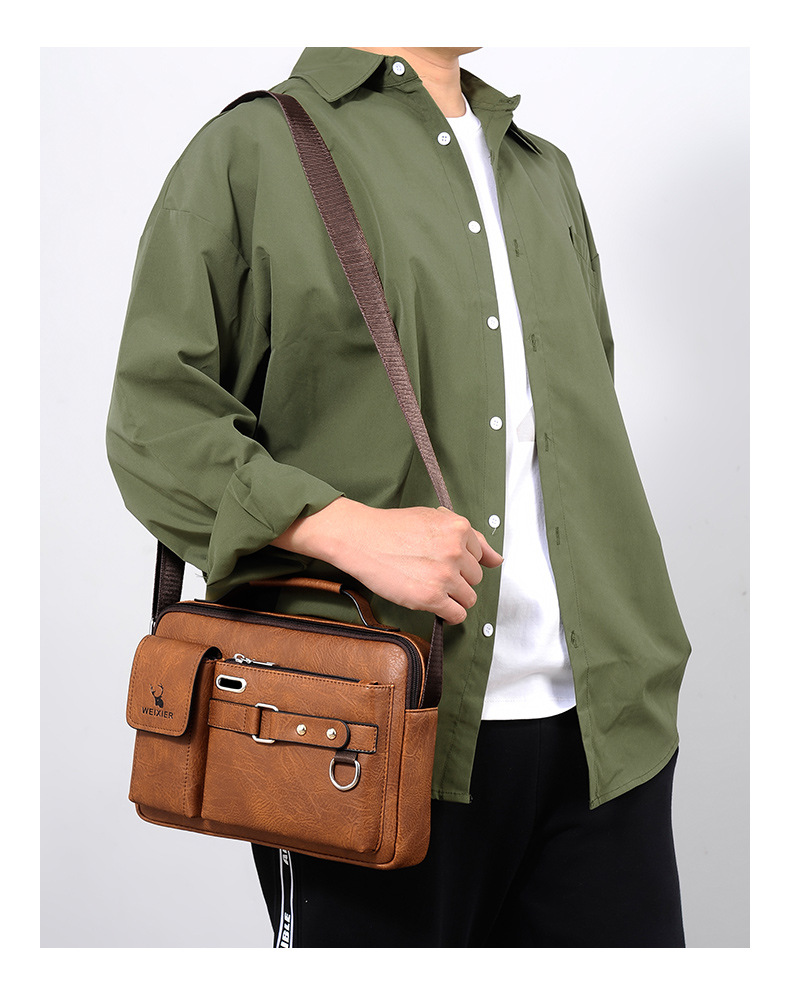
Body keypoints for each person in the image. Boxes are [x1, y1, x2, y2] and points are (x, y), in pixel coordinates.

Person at [107, 46, 691, 947]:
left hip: (607, 735)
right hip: (365, 735)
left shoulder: (542, 172)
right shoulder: (253, 150)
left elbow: (576, 432)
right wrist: (340, 528)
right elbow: (154, 424)